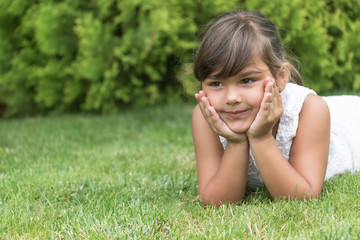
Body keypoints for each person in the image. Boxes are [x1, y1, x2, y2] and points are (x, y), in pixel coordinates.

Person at [191, 10, 360, 206]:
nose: (231, 98)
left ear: (280, 78)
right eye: (216, 84)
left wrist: (261, 138)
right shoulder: (206, 116)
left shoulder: (310, 110)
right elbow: (214, 201)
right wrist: (236, 143)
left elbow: (301, 196)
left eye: (246, 80)